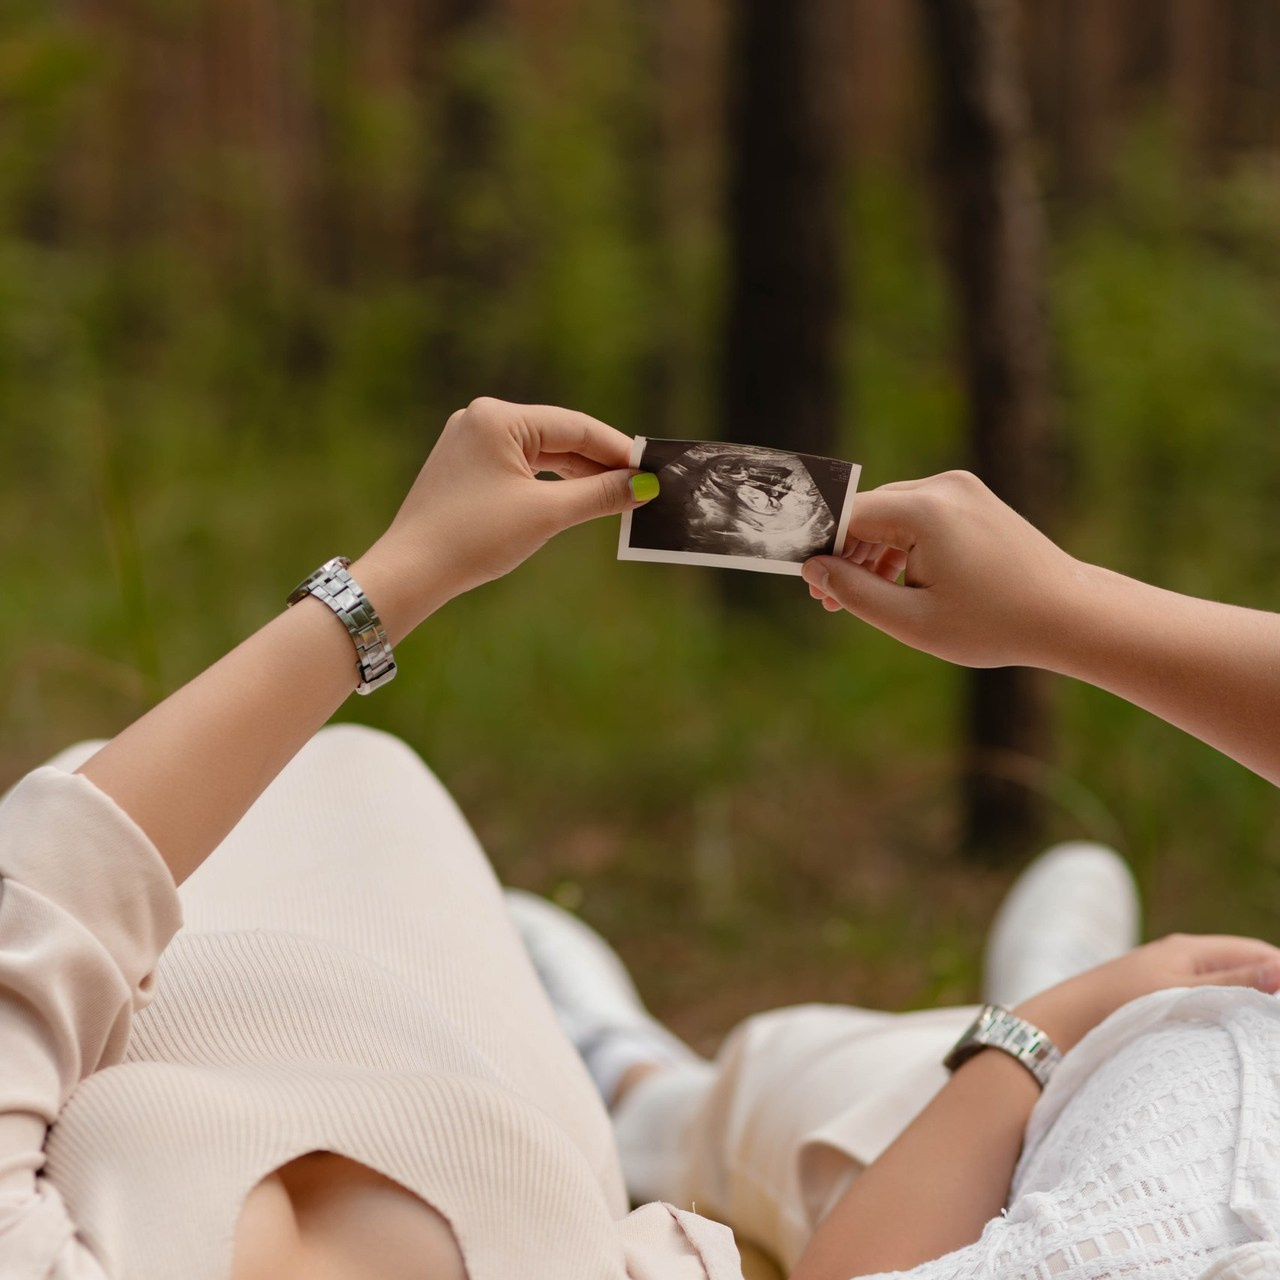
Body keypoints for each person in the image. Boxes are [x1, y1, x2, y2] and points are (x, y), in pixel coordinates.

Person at [0, 406, 1275, 1280]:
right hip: (436, 1010)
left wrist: (402, 572)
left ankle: (656, 1074)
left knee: (842, 1101)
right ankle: (685, 1071)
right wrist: (1044, 1025)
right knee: (850, 1097)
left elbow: (45, 903)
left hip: (203, 891)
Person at [511, 467, 1280, 1280]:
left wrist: (1042, 1028)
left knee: (778, 1084)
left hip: (968, 1158)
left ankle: (632, 1078)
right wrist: (1064, 604)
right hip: (1146, 1062)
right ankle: (1054, 996)